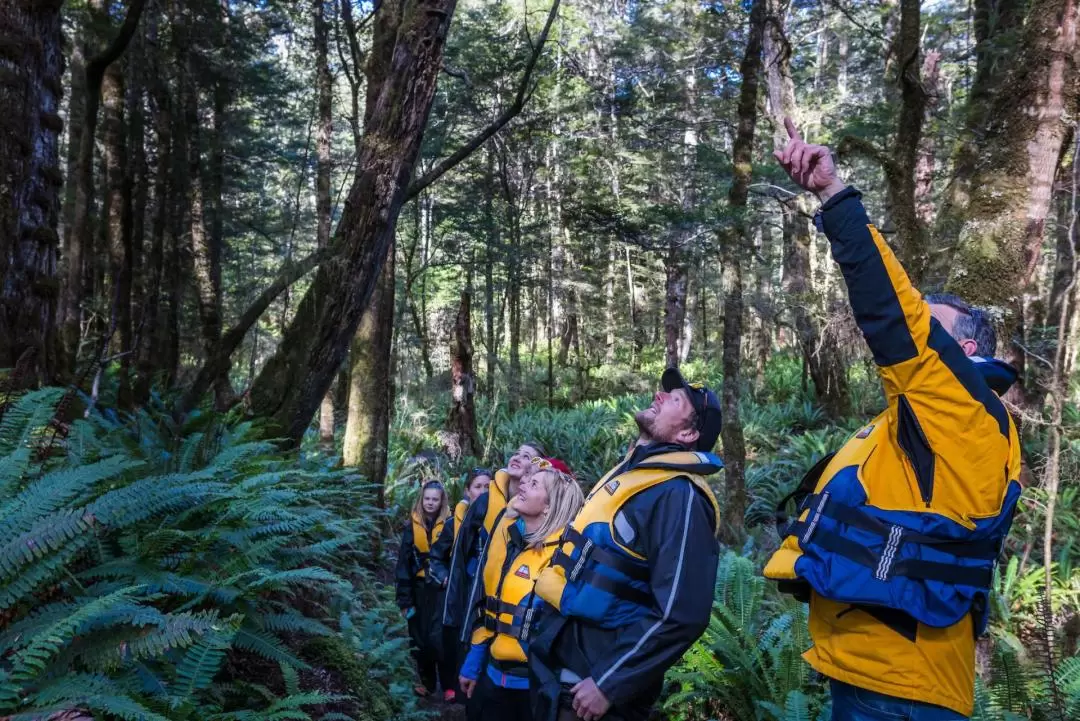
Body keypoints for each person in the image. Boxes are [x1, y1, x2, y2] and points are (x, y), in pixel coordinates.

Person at [763, 119, 1022, 720]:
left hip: (902, 692)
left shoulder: (967, 415)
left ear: (971, 357)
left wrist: (834, 198)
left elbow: (892, 313)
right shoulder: (918, 425)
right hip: (872, 677)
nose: (922, 339)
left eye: (939, 335)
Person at [529, 369, 725, 721]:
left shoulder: (679, 496)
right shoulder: (631, 477)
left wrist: (609, 683)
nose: (660, 395)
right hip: (561, 675)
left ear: (688, 433)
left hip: (593, 694)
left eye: (675, 398)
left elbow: (682, 613)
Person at [459, 458, 585, 721]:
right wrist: (473, 661)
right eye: (527, 480)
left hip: (534, 690)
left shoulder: (566, 556)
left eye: (534, 483)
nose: (524, 484)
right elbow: (492, 607)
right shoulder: (512, 542)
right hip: (492, 677)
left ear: (549, 506)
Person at [430, 442, 548, 650]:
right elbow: (459, 555)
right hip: (472, 595)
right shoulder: (484, 502)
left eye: (527, 456)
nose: (518, 457)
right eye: (517, 453)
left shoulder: (539, 509)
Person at [395, 479, 456, 699]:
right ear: (422, 499)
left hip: (441, 590)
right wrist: (404, 600)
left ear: (442, 501)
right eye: (427, 498)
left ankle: (450, 685)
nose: (430, 503)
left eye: (435, 499)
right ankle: (428, 684)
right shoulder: (412, 525)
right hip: (419, 589)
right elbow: (403, 564)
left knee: (441, 637)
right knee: (419, 638)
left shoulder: (451, 523)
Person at [440, 468, 493, 703]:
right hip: (458, 593)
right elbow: (437, 557)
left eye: (487, 487)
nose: (483, 492)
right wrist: (443, 577)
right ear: (467, 491)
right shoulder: (454, 523)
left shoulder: (496, 524)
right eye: (478, 487)